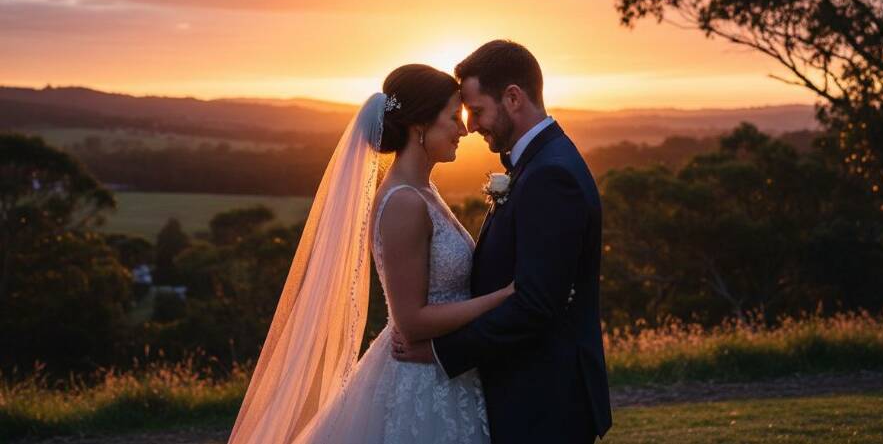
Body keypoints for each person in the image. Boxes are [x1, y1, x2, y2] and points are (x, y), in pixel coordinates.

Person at [228, 64, 511, 444]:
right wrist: (503, 298)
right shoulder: (404, 203)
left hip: (445, 371)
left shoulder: (423, 191)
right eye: (452, 117)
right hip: (422, 385)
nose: (464, 129)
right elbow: (411, 321)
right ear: (419, 127)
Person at [393, 40, 612, 443]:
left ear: (512, 97)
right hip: (526, 391)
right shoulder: (539, 163)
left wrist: (442, 353)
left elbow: (535, 305)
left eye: (476, 111)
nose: (470, 126)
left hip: (544, 399)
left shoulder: (550, 175)